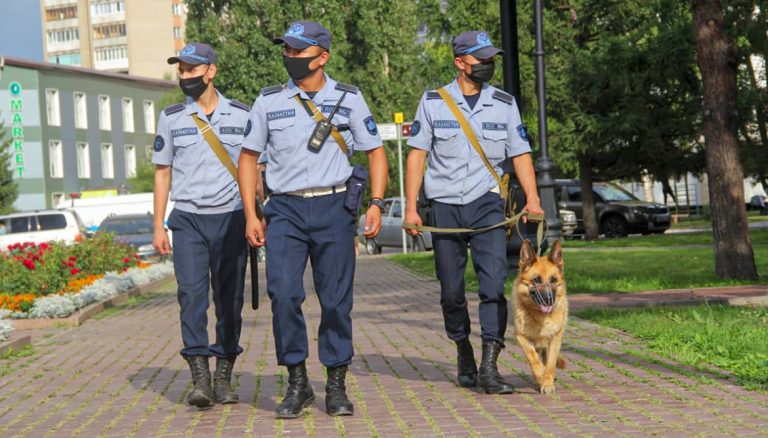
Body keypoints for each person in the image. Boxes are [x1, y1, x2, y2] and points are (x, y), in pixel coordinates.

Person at [238, 21, 387, 419]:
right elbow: (249, 158)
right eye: (285, 50)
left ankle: (335, 383)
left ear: (322, 57)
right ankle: (298, 381)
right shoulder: (268, 101)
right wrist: (252, 213)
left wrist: (375, 203)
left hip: (334, 207)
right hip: (284, 210)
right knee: (284, 295)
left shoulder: (350, 99)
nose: (289, 57)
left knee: (336, 300)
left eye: (297, 51)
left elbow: (375, 151)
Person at [404, 30, 545, 394]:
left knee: (493, 285)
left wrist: (533, 198)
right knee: (451, 291)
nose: (488, 65)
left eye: (490, 58)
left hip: (486, 204)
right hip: (445, 207)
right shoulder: (433, 102)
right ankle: (463, 348)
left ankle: (489, 365)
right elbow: (417, 155)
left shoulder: (503, 103)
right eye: (481, 59)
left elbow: (521, 154)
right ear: (460, 63)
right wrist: (410, 208)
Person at [152, 43, 249, 409]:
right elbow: (163, 173)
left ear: (211, 71)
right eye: (181, 71)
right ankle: (200, 378)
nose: (185, 77)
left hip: (231, 218)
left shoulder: (243, 114)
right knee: (191, 297)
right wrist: (159, 225)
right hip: (188, 219)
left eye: (192, 70)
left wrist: (257, 214)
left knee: (230, 300)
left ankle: (224, 372)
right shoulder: (172, 117)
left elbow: (255, 169)